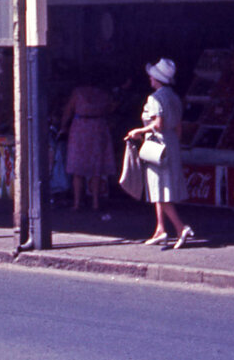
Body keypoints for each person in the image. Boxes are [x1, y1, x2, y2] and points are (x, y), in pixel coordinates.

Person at [126, 58, 194, 248]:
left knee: (159, 191)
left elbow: (158, 124)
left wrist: (138, 131)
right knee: (160, 187)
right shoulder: (174, 97)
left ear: (157, 79)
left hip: (157, 145)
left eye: (152, 76)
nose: (149, 78)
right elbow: (178, 127)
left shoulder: (155, 98)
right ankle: (160, 229)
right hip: (171, 143)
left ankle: (181, 228)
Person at [59, 67, 118, 211]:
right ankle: (95, 202)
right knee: (96, 168)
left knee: (77, 167)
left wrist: (63, 126)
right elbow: (111, 109)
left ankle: (77, 203)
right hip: (98, 127)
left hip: (80, 127)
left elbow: (68, 111)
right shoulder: (104, 94)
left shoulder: (77, 93)